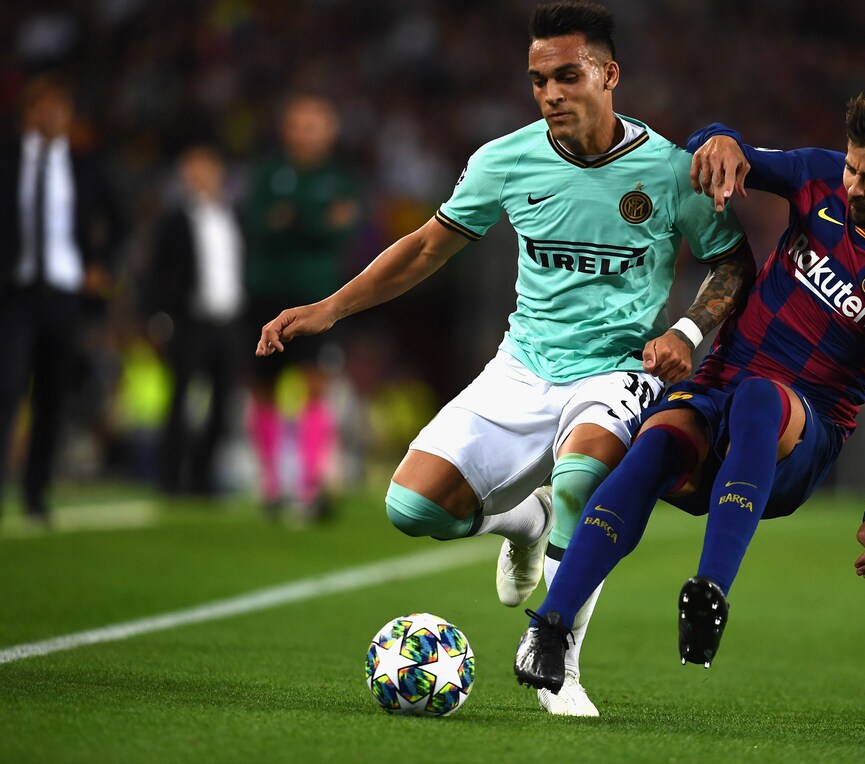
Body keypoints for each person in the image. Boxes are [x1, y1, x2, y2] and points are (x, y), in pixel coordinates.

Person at [257, 1, 754, 716]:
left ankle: (559, 668)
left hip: (615, 369)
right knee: (411, 508)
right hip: (521, 367)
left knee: (582, 479)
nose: (551, 93)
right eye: (538, 80)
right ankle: (523, 522)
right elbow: (426, 248)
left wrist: (685, 331)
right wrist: (330, 308)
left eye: (568, 76)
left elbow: (733, 261)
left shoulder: (670, 170)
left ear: (609, 75)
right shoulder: (504, 159)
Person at [514, 93, 865, 696]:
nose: (853, 185)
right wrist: (718, 136)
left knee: (760, 399)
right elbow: (717, 147)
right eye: (853, 167)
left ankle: (710, 592)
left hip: (800, 435)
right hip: (717, 388)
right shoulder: (819, 174)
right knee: (654, 447)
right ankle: (548, 627)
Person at [0, 71, 125, 527]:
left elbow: (120, 217)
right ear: (28, 112)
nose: (51, 114)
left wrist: (102, 263)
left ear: (69, 115)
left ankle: (36, 494)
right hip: (14, 293)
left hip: (64, 293)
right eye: (43, 105)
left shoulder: (84, 163)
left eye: (59, 107)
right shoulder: (9, 158)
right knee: (7, 387)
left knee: (52, 395)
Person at [245, 92, 363, 520]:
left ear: (331, 130)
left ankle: (311, 486)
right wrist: (317, 218)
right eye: (299, 124)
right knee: (264, 386)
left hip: (319, 300)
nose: (306, 133)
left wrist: (294, 217)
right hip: (266, 294)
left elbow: (343, 228)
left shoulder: (342, 178)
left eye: (315, 124)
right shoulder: (268, 173)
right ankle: (271, 487)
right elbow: (258, 225)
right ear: (286, 128)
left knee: (316, 384)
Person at [147, 144, 246, 497]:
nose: (198, 176)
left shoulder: (235, 216)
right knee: (180, 400)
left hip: (230, 322)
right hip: (190, 322)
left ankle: (204, 477)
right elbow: (157, 273)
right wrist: (159, 317)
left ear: (219, 173)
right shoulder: (173, 221)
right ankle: (171, 479)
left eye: (204, 168)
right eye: (191, 170)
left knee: (223, 403)